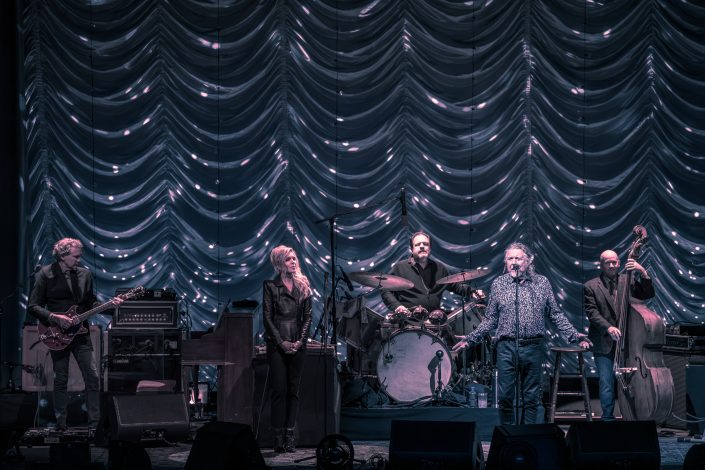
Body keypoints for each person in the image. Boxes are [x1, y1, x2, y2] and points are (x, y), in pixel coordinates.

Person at [453, 242, 590, 424]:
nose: (514, 262)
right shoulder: (499, 284)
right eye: (510, 258)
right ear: (505, 262)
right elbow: (491, 319)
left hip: (533, 346)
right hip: (506, 347)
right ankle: (509, 436)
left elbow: (555, 313)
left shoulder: (541, 283)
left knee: (531, 398)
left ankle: (528, 436)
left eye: (518, 258)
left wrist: (574, 335)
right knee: (506, 398)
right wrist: (471, 339)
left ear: (528, 261)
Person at [27, 238, 115, 430]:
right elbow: (33, 306)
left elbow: (91, 303)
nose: (79, 260)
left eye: (80, 256)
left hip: (81, 333)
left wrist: (111, 306)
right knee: (61, 378)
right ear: (62, 255)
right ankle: (61, 423)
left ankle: (95, 424)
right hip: (57, 334)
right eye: (75, 256)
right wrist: (55, 318)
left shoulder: (85, 275)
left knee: (92, 377)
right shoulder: (45, 274)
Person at [584, 250, 654, 421]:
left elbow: (648, 294)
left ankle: (633, 416)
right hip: (603, 341)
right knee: (606, 382)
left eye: (615, 262)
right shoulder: (591, 286)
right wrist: (608, 328)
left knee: (633, 380)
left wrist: (642, 271)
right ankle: (608, 419)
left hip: (629, 341)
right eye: (608, 262)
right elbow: (592, 313)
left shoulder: (627, 280)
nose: (612, 265)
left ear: (619, 262)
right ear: (601, 264)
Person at [262, 245, 313, 453]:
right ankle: (278, 437)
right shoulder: (270, 286)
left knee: (294, 391)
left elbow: (308, 316)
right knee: (279, 391)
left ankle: (290, 436)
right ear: (279, 262)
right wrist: (281, 342)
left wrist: (300, 341)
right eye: (288, 259)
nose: (293, 262)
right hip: (277, 345)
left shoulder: (303, 285)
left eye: (294, 258)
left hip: (298, 343)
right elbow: (267, 317)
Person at [380, 231, 477, 324]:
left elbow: (455, 285)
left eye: (425, 244)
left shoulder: (439, 268)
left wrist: (472, 291)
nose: (422, 246)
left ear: (429, 248)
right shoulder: (400, 267)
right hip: (408, 322)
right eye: (418, 245)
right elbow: (385, 289)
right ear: (411, 249)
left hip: (435, 322)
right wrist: (398, 307)